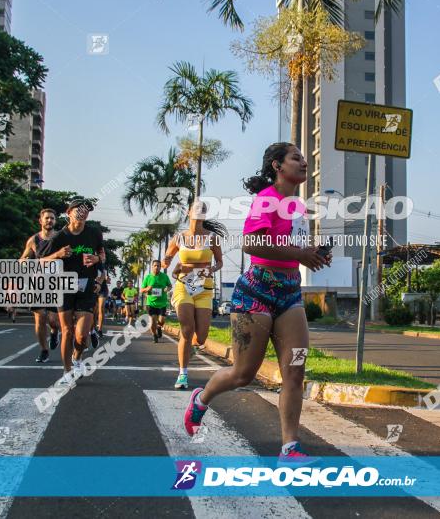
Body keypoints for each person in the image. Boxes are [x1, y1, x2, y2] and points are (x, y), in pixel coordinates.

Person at [182, 142, 330, 464]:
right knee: (243, 374)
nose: (304, 162)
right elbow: (252, 244)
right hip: (256, 294)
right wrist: (300, 254)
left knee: (294, 371)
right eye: (297, 158)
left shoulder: (298, 206)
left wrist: (314, 254)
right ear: (278, 166)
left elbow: (293, 247)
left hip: (290, 295)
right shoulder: (267, 200)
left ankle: (290, 449)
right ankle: (201, 398)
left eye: (304, 158)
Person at [162, 200, 225, 390]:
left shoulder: (212, 238)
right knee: (187, 330)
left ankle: (189, 348)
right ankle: (182, 374)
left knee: (202, 337)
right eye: (197, 207)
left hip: (204, 289)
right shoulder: (179, 238)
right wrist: (166, 262)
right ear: (189, 212)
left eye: (204, 208)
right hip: (183, 286)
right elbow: (167, 260)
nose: (200, 209)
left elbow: (220, 262)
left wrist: (212, 268)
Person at [43, 198, 105, 386]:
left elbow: (102, 255)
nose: (83, 212)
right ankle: (67, 370)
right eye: (78, 209)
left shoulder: (94, 234)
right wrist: (58, 254)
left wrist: (96, 260)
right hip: (64, 285)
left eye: (86, 209)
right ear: (69, 213)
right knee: (67, 331)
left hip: (87, 286)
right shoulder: (59, 237)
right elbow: (41, 261)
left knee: (82, 334)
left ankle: (77, 358)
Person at [18, 208, 61, 363]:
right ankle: (44, 350)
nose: (49, 221)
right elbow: (22, 259)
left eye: (52, 218)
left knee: (53, 320)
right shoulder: (33, 240)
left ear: (55, 221)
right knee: (40, 318)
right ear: (41, 221)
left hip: (56, 283)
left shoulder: (60, 238)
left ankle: (55, 331)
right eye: (47, 218)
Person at [141, 259, 172, 343]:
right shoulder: (148, 277)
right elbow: (142, 290)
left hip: (162, 303)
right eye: (155, 265)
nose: (157, 267)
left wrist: (167, 288)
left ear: (160, 267)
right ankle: (154, 335)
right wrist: (147, 288)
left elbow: (170, 286)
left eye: (158, 266)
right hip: (151, 303)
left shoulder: (164, 276)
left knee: (162, 321)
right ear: (152, 267)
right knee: (152, 322)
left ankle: (159, 327)